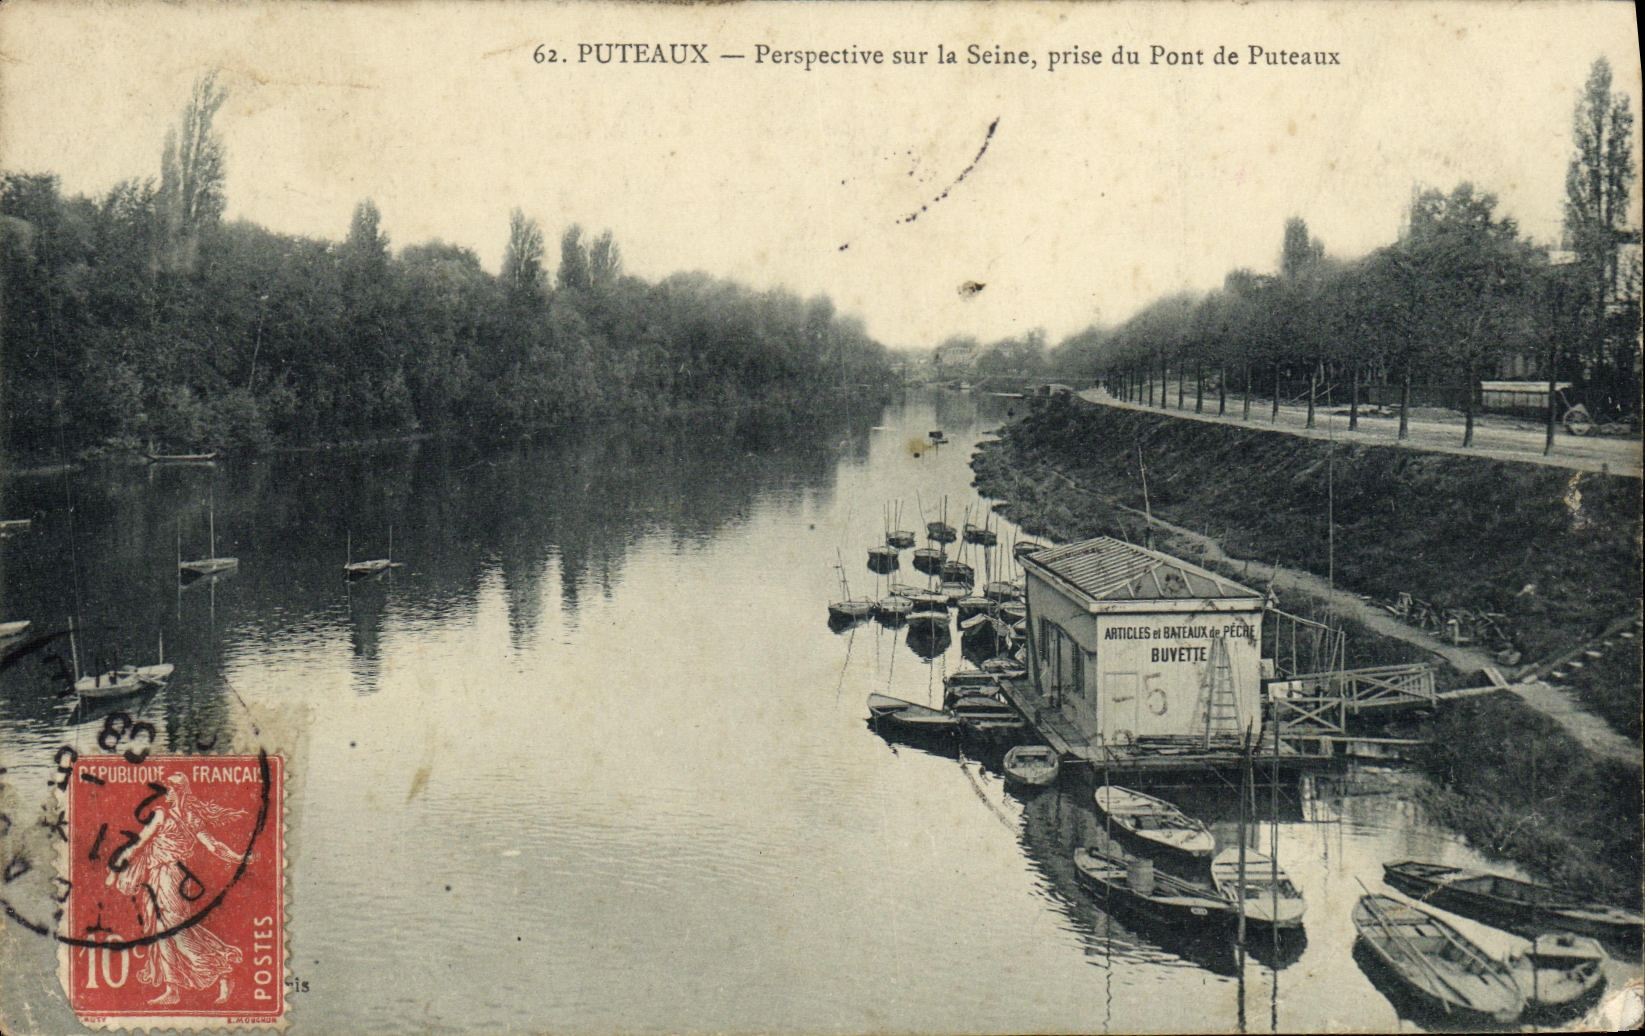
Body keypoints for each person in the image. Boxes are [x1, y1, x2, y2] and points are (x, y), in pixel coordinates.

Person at [109, 773, 247, 1005]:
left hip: (174, 877)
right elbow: (140, 842)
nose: (168, 794)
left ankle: (223, 967)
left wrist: (238, 857)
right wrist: (118, 865)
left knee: (177, 932)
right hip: (155, 877)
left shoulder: (192, 819)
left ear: (181, 791)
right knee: (162, 932)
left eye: (171, 789)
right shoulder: (161, 815)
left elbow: (213, 845)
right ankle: (173, 988)